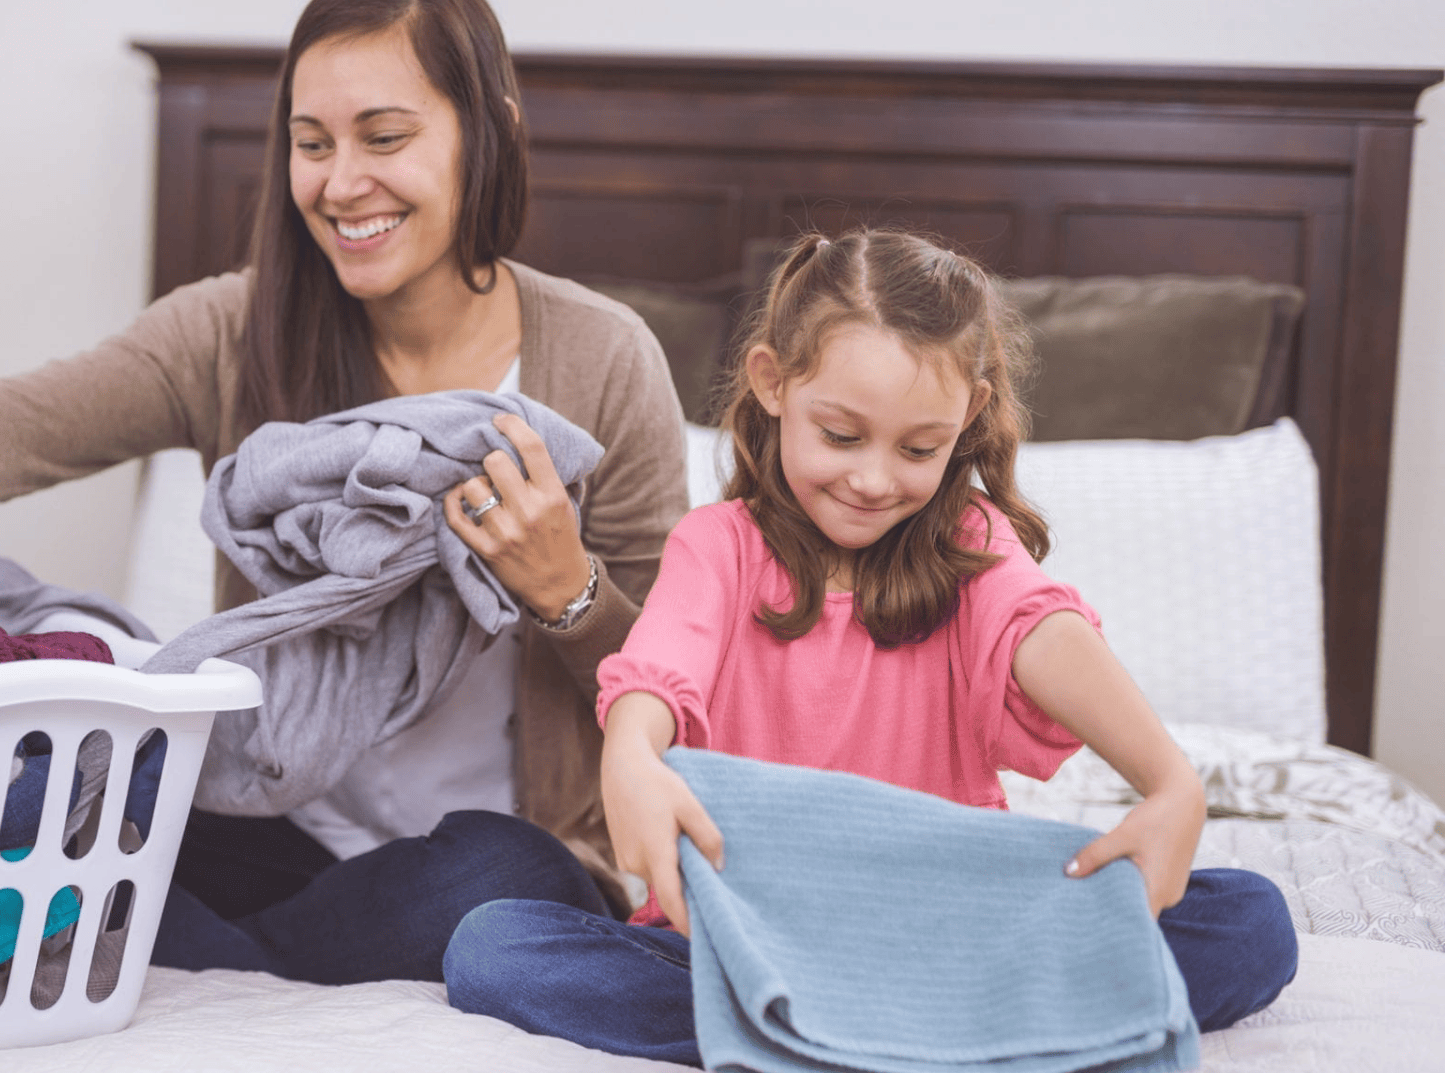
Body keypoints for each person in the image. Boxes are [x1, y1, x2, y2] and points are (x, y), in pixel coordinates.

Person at [0, 0, 688, 983]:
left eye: (383, 137)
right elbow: (24, 419)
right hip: (270, 823)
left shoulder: (603, 360)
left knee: (496, 881)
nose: (343, 184)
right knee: (80, 792)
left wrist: (567, 593)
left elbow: (681, 689)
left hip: (487, 855)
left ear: (492, 133)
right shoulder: (234, 332)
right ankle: (206, 946)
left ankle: (141, 943)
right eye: (311, 143)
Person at [441, 229, 1299, 1064]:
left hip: (946, 931)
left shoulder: (970, 541)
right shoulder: (721, 545)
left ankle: (817, 1030)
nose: (874, 479)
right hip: (748, 935)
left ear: (966, 421)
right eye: (842, 436)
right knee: (495, 946)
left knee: (1250, 922)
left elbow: (1037, 628)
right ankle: (940, 1029)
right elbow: (660, 669)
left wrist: (1171, 781)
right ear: (772, 384)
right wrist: (632, 752)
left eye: (919, 448)